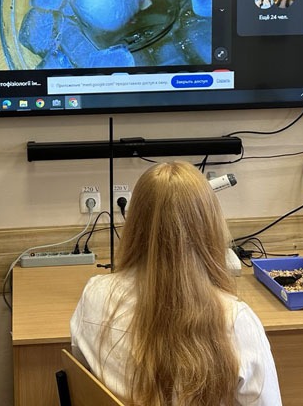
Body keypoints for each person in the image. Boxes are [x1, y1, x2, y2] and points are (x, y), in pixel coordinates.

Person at [70, 161, 282, 406]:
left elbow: (84, 379)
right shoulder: (236, 321)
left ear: (135, 224)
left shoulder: (94, 295)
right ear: (209, 225)